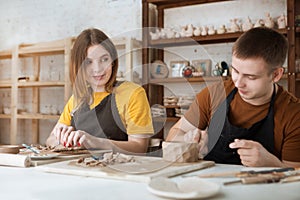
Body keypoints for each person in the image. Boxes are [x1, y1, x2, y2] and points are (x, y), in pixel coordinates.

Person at [166, 27, 300, 167]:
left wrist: (273, 164)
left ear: (276, 75)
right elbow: (174, 134)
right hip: (210, 186)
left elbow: (296, 180)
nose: (238, 83)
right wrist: (189, 142)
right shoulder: (215, 94)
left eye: (250, 77)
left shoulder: (294, 114)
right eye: (235, 71)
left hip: (266, 187)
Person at [46, 28, 154, 154]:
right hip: (79, 168)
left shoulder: (133, 93)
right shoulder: (77, 98)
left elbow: (139, 147)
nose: (97, 69)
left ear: (113, 61)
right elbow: (50, 140)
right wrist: (63, 139)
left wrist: (94, 142)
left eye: (104, 59)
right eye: (88, 62)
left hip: (118, 170)